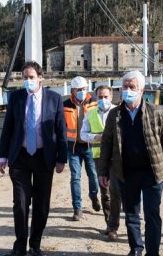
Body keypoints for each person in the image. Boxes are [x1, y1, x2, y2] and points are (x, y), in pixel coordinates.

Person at [99, 70, 163, 256]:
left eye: (132, 87)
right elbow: (106, 144)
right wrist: (103, 171)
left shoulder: (156, 112)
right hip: (127, 173)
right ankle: (136, 248)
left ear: (141, 90)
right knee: (131, 214)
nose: (127, 90)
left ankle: (153, 252)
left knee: (152, 214)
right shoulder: (115, 115)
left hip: (153, 172)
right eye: (125, 87)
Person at [0, 61, 67, 256]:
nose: (27, 81)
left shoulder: (54, 99)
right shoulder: (16, 98)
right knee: (20, 202)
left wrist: (62, 157)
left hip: (43, 157)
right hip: (20, 157)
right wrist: (3, 156)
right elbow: (8, 128)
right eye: (25, 78)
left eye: (31, 77)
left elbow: (61, 130)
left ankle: (35, 244)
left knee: (41, 203)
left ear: (40, 78)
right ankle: (20, 245)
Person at [79, 85, 121, 241]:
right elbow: (83, 134)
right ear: (96, 98)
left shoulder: (120, 112)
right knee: (105, 191)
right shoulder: (90, 114)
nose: (103, 100)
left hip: (119, 157)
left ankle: (127, 221)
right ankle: (111, 226)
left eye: (105, 97)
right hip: (99, 157)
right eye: (100, 97)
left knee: (118, 190)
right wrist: (94, 137)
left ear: (111, 97)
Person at [64, 76, 100, 220]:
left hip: (90, 145)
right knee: (75, 178)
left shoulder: (94, 103)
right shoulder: (65, 105)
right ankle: (77, 208)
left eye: (84, 89)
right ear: (73, 90)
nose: (82, 92)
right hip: (73, 147)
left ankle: (93, 196)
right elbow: (61, 126)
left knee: (94, 175)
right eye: (79, 90)